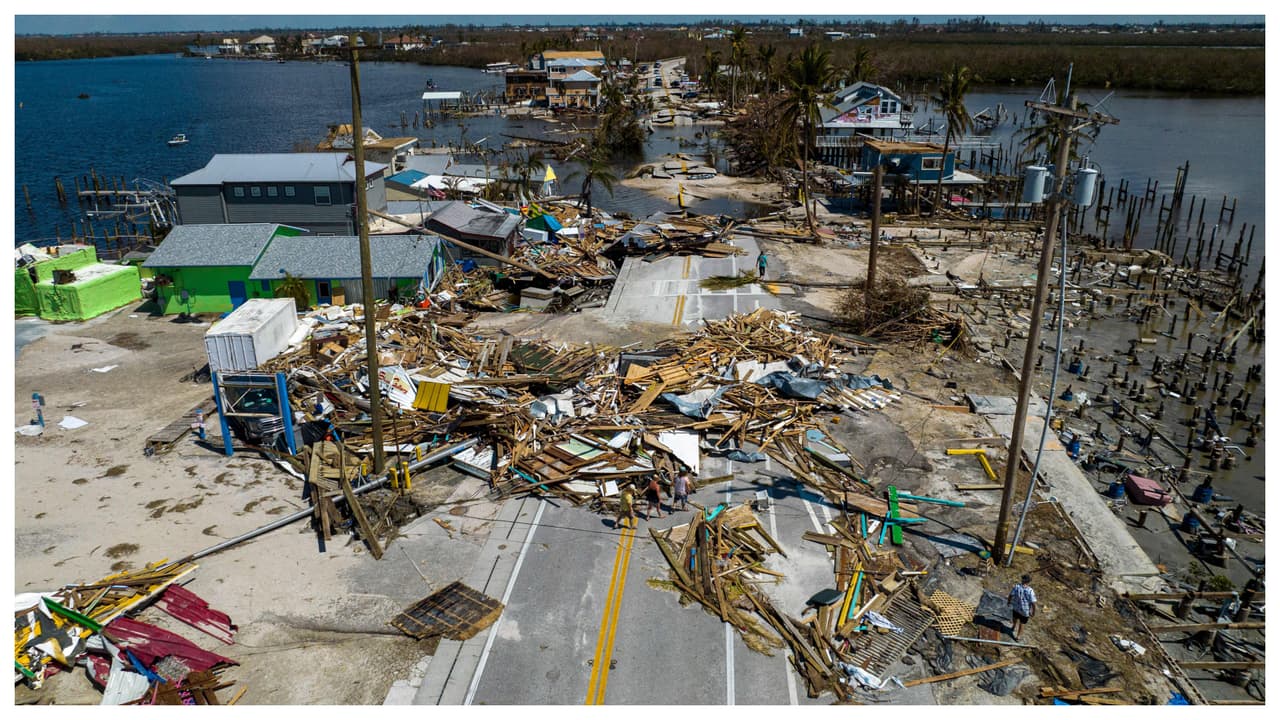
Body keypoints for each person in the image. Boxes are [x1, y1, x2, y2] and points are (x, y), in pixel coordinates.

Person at [1007, 574, 1037, 640]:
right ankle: (1018, 636)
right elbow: (1033, 603)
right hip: (1025, 611)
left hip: (1016, 608)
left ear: (1022, 580)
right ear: (1029, 582)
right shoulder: (1030, 591)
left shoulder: (1017, 587)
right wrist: (1033, 612)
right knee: (1022, 623)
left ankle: (1013, 626)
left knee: (1015, 618)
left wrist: (1008, 602)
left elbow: (1010, 595)